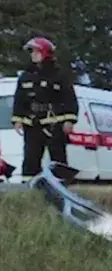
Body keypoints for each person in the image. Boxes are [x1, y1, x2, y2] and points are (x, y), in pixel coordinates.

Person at [10, 37, 78, 179]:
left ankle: (61, 188)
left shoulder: (59, 74)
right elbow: (19, 99)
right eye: (31, 52)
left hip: (54, 124)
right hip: (32, 124)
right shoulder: (26, 76)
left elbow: (69, 98)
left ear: (46, 53)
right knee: (30, 159)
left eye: (36, 51)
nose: (33, 54)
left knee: (58, 159)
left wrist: (69, 120)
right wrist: (17, 119)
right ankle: (30, 190)